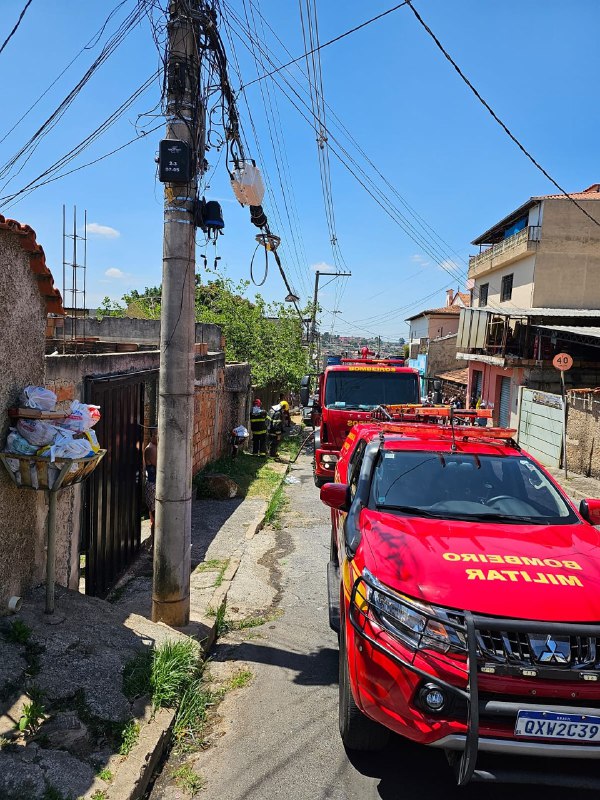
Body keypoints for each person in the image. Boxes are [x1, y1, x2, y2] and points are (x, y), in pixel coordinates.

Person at [144, 428, 158, 543]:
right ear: (152, 435)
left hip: (156, 485)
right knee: (156, 518)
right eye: (156, 434)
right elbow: (161, 466)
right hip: (153, 487)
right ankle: (154, 545)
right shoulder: (151, 449)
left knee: (157, 518)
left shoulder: (157, 447)